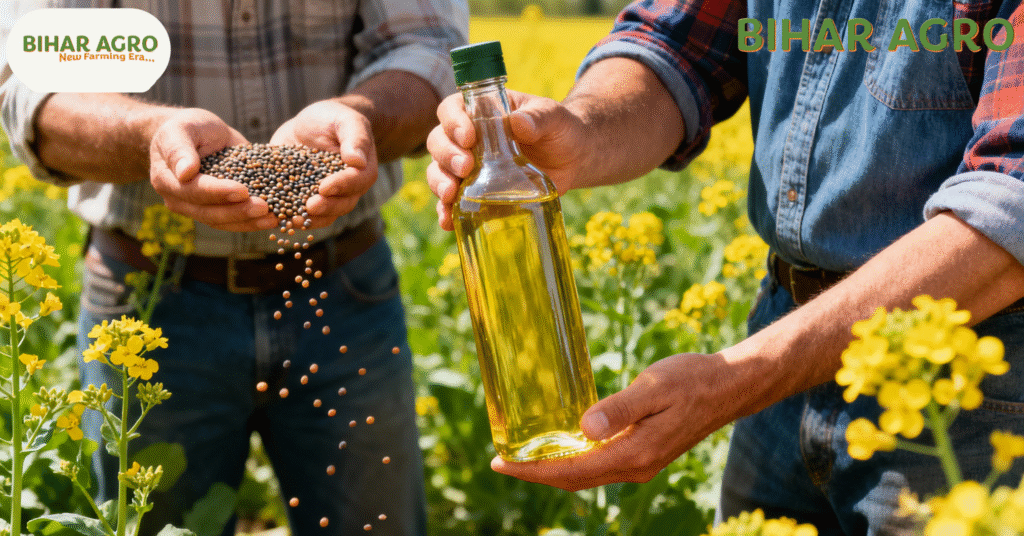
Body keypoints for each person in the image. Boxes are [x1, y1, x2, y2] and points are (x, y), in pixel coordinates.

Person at [426, 1, 1024, 534]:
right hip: (777, 343)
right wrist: (581, 129)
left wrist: (736, 380)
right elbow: (678, 42)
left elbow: (1011, 199)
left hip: (963, 381)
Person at [1, 1, 467, 535]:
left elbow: (429, 47)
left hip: (344, 292)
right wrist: (153, 134)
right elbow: (32, 80)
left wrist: (360, 118)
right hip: (147, 303)